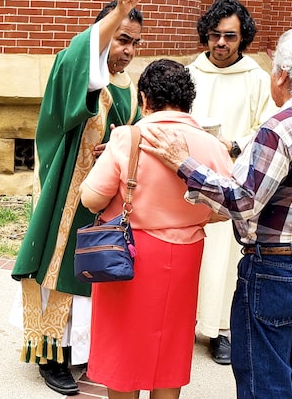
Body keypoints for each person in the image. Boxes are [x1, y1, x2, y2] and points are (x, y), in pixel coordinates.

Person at [141, 28, 292, 399]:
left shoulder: (280, 128)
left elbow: (243, 200)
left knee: (264, 384)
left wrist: (183, 164)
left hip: (273, 269)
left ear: (282, 75)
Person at [10, 0, 145, 396]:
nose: (127, 51)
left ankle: (81, 348)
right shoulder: (76, 66)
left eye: (134, 43)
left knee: (95, 266)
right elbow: (78, 61)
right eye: (121, 38)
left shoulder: (131, 87)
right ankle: (51, 353)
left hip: (106, 193)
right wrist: (118, 11)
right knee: (60, 263)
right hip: (68, 189)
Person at [80, 59, 233, 399]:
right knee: (171, 341)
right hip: (185, 254)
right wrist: (193, 217)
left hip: (128, 254)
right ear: (188, 101)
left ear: (144, 99)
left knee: (123, 345)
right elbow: (227, 208)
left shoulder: (129, 137)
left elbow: (92, 198)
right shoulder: (210, 145)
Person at [188, 0, 277, 365]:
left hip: (232, 181)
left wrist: (236, 144)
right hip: (190, 179)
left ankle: (219, 328)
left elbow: (268, 129)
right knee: (190, 251)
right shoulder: (190, 73)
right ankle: (184, 320)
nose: (221, 44)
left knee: (222, 258)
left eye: (230, 37)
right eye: (214, 35)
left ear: (243, 39)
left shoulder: (257, 80)